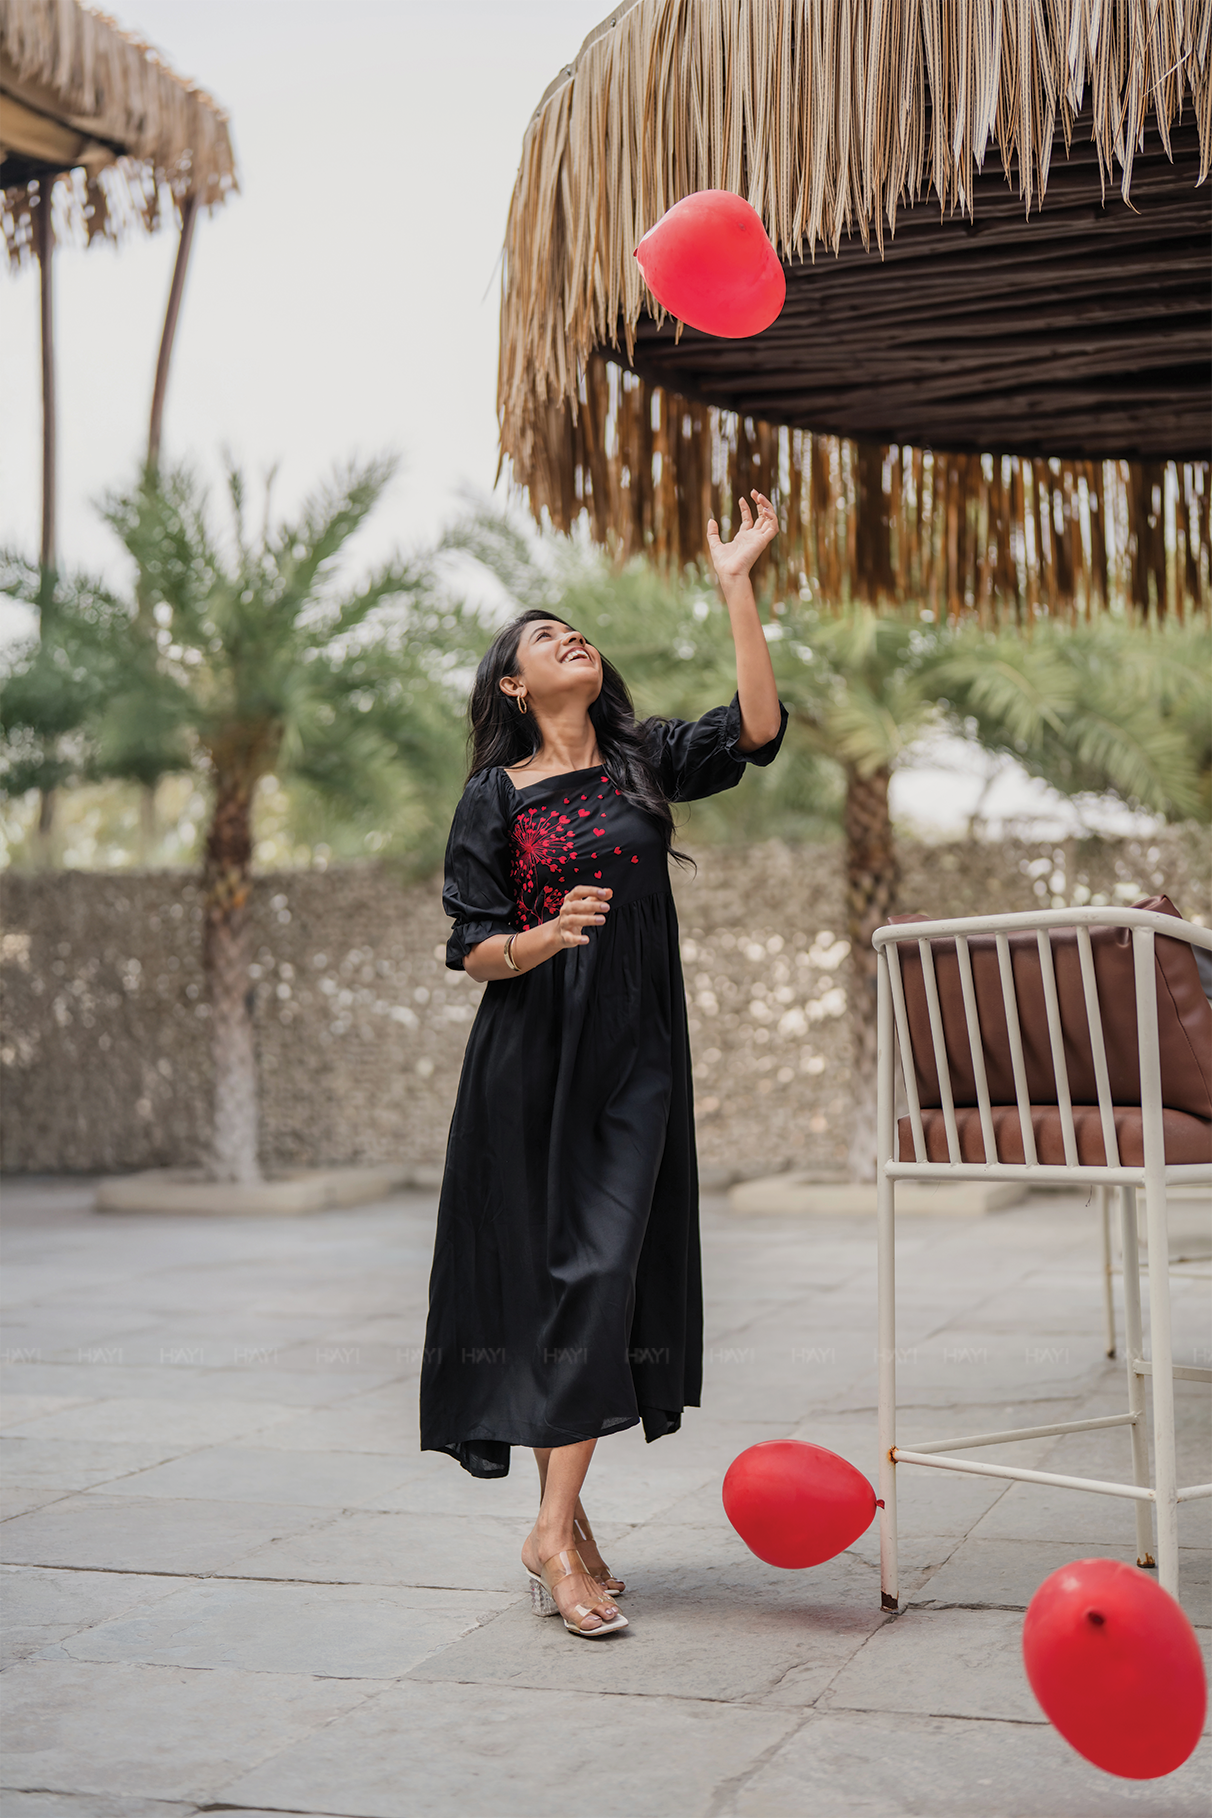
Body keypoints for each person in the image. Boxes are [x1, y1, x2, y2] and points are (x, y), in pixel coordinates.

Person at [419, 492, 787, 1638]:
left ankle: (550, 1529)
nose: (569, 635)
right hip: (529, 1062)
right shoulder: (494, 796)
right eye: (543, 636)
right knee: (556, 1286)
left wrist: (736, 584)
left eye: (573, 629)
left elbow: (757, 729)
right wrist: (543, 936)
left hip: (634, 1055)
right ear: (513, 687)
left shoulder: (642, 760)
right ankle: (562, 1535)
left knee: (603, 1271)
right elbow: (471, 943)